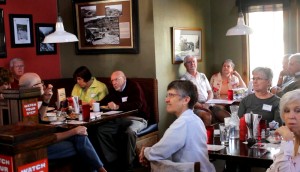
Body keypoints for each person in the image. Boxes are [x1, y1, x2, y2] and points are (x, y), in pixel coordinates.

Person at [19, 72, 107, 172]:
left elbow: (39, 118)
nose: (43, 85)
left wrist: (46, 100)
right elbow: (45, 138)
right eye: (40, 83)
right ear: (32, 87)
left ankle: (100, 170)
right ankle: (101, 170)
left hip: (42, 143)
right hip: (36, 150)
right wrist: (74, 131)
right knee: (81, 145)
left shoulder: (27, 101)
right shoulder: (23, 106)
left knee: (81, 141)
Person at [139, 80, 215, 172]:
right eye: (167, 95)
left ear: (186, 100)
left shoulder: (183, 122)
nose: (166, 100)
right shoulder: (196, 119)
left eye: (171, 95)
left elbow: (161, 151)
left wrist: (145, 152)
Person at [94, 70, 149, 170]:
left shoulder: (133, 86)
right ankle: (113, 160)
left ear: (124, 78)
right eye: (112, 81)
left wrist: (118, 106)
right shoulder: (113, 89)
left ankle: (129, 164)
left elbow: (138, 104)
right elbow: (105, 100)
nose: (114, 82)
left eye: (116, 79)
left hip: (138, 118)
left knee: (130, 132)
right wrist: (95, 104)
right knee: (101, 131)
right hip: (121, 119)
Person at [266, 89, 300, 172]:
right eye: (287, 111)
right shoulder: (291, 141)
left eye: (298, 110)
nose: (291, 116)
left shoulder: (287, 140)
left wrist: (287, 141)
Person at [180, 55, 213, 126]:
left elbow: (210, 92)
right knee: (207, 116)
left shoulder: (202, 76)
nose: (192, 64)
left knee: (226, 114)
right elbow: (187, 99)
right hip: (194, 107)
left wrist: (207, 104)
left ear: (196, 63)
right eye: (189, 62)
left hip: (208, 103)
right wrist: (202, 106)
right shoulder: (184, 80)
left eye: (193, 61)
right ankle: (206, 137)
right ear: (185, 65)